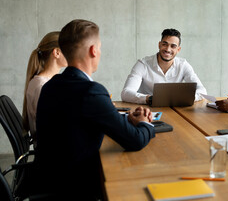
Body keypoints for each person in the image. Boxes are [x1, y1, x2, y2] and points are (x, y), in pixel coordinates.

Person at [32, 20, 155, 199]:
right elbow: (135, 141)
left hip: (50, 181)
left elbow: (79, 120)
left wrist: (125, 120)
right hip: (79, 187)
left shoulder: (50, 85)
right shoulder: (91, 91)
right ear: (93, 50)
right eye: (100, 47)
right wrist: (145, 124)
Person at [121, 28, 207, 105]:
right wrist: (149, 99)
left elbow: (202, 91)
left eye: (173, 46)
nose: (168, 49)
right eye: (165, 44)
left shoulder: (183, 65)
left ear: (178, 50)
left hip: (175, 110)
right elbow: (126, 93)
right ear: (159, 44)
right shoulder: (143, 64)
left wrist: (183, 99)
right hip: (147, 110)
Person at [22, 31, 67, 146]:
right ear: (57, 52)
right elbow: (54, 127)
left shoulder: (41, 82)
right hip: (51, 154)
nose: (72, 53)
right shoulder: (43, 87)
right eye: (68, 49)